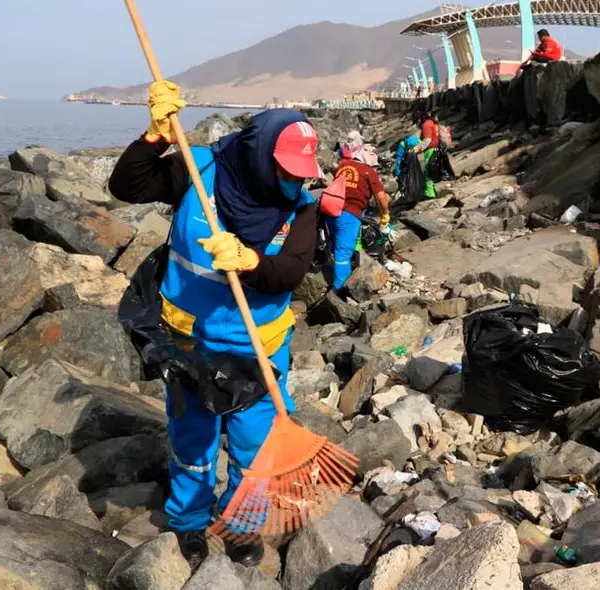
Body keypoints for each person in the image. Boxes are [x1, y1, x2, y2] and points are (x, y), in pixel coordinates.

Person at [108, 80, 323, 569]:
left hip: (259, 350)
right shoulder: (200, 169)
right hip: (191, 345)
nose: (294, 183)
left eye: (301, 174)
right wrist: (154, 138)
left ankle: (242, 525)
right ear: (258, 153)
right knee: (193, 442)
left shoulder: (302, 209)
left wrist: (249, 262)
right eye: (286, 171)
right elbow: (127, 187)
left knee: (253, 446)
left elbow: (291, 270)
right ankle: (188, 522)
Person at [327, 132, 391, 292]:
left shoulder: (343, 165)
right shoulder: (369, 172)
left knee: (337, 246)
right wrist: (385, 215)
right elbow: (381, 198)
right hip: (349, 213)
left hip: (330, 208)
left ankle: (348, 267)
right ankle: (340, 290)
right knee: (343, 252)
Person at [411, 113, 440, 199]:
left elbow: (427, 140)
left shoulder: (426, 124)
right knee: (432, 171)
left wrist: (417, 149)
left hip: (430, 151)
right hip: (435, 149)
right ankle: (434, 192)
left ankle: (429, 194)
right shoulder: (432, 123)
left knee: (427, 172)